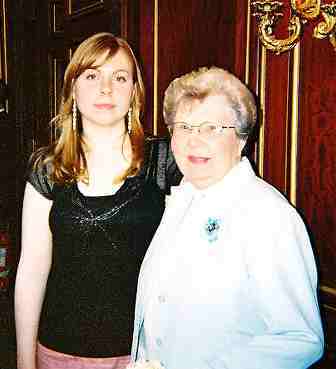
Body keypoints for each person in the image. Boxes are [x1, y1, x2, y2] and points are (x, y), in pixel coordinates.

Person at [131, 67, 324, 369]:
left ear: (242, 139)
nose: (194, 140)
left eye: (211, 128)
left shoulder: (269, 216)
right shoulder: (182, 199)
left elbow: (300, 339)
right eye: (184, 127)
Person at [14, 32, 181, 369]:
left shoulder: (166, 160)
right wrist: (23, 359)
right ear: (73, 89)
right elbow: (32, 269)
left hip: (145, 355)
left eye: (119, 78)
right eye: (92, 76)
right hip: (60, 351)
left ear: (134, 91)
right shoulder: (47, 168)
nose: (106, 88)